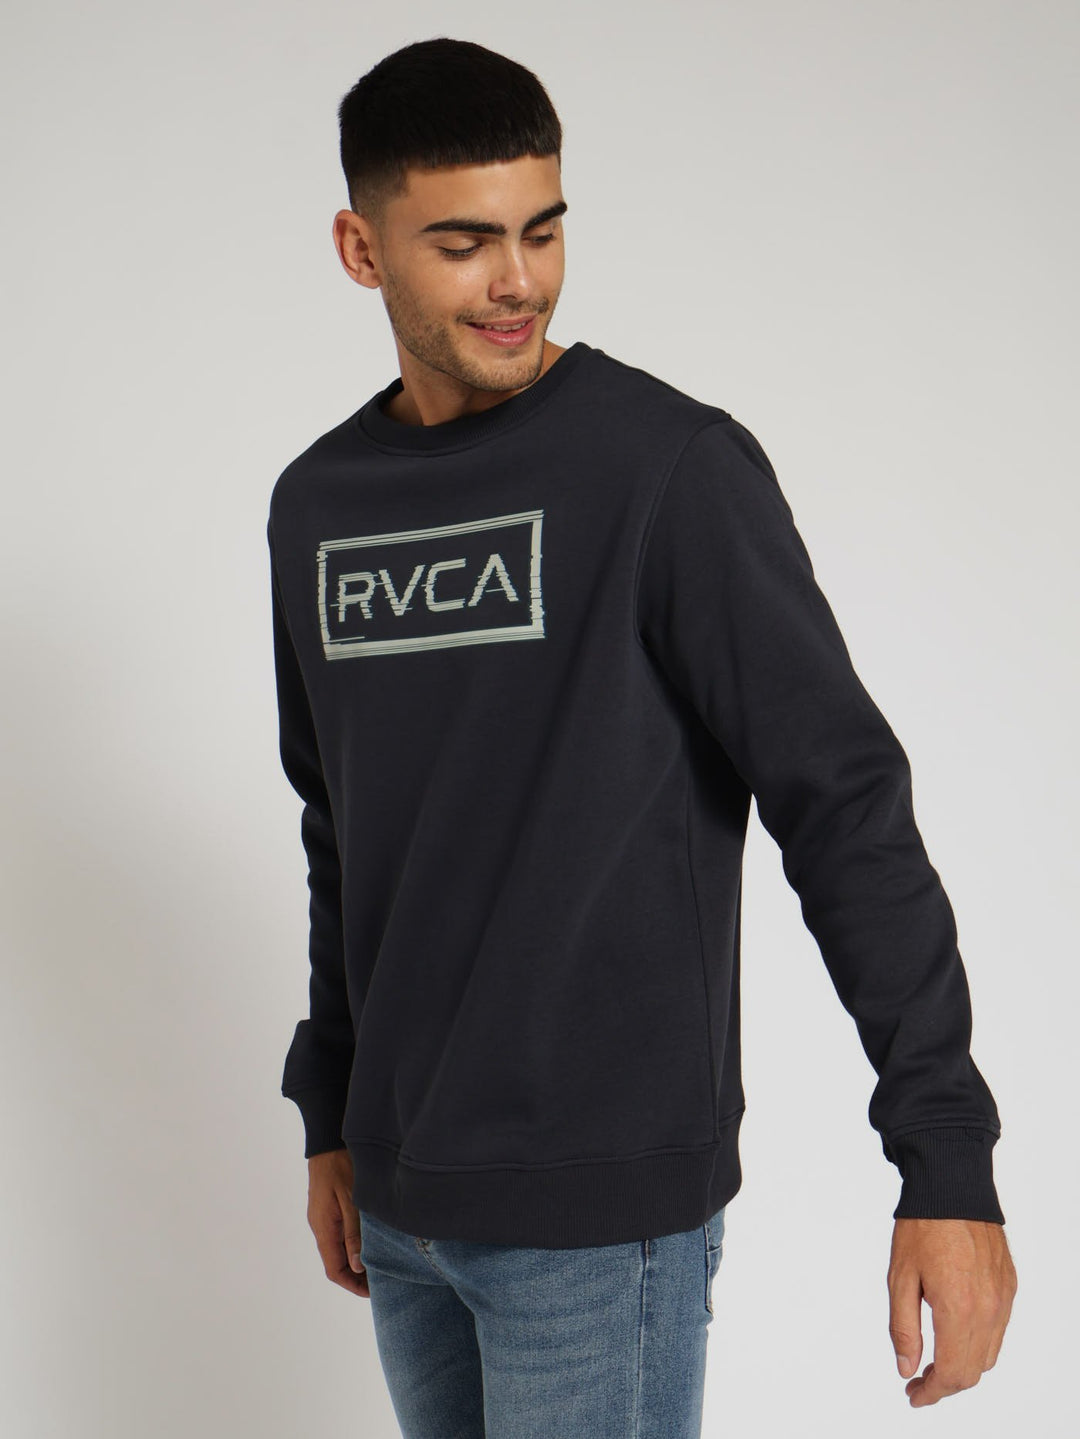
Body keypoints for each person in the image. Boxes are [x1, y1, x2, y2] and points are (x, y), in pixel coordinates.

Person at [266, 35, 1017, 1437]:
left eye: (543, 231)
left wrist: (947, 1165)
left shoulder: (665, 468)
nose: (519, 281)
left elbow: (843, 804)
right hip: (404, 1200)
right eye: (464, 244)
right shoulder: (319, 506)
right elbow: (342, 828)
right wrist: (334, 1111)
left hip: (597, 1219)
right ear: (362, 251)